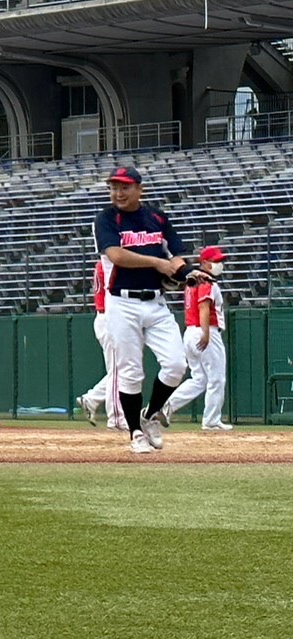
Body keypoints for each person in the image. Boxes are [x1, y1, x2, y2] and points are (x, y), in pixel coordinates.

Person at [94, 164, 208, 454]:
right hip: (121, 303)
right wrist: (158, 264)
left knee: (176, 365)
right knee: (131, 372)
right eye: (113, 187)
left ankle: (150, 415)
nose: (118, 192)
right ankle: (135, 433)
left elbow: (176, 257)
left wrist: (188, 275)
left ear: (139, 189)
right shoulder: (107, 219)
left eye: (124, 187)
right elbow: (116, 255)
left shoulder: (157, 218)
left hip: (155, 302)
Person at [164, 246, 233, 430]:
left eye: (220, 261)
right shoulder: (205, 281)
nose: (219, 265)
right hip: (205, 330)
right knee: (216, 379)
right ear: (203, 263)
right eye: (215, 261)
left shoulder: (191, 281)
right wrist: (206, 333)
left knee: (199, 379)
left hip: (189, 332)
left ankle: (166, 406)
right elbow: (204, 307)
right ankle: (211, 421)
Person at [75, 260, 128, 430]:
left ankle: (91, 399)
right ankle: (116, 418)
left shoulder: (105, 263)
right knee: (117, 371)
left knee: (123, 369)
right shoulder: (107, 264)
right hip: (108, 318)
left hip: (110, 318)